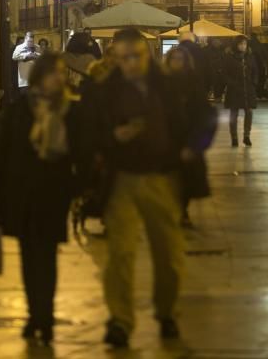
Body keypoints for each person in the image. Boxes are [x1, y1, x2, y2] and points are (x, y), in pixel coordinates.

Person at [82, 28, 205, 348]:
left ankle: (166, 312)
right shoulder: (105, 91)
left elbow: (204, 118)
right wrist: (113, 138)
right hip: (121, 177)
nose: (130, 64)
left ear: (146, 54)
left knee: (168, 253)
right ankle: (120, 320)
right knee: (120, 253)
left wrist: (192, 149)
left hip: (162, 177)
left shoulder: (169, 85)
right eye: (123, 58)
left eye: (135, 56)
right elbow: (89, 133)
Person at [0, 53, 81, 345]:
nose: (59, 78)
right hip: (22, 191)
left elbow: (80, 150)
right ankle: (32, 314)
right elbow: (2, 151)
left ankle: (46, 316)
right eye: (55, 73)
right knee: (29, 257)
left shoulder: (70, 109)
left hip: (53, 192)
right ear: (40, 75)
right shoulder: (19, 108)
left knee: (47, 256)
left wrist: (80, 187)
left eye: (62, 73)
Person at [165, 46, 217, 225]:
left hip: (187, 136)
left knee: (185, 177)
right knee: (169, 178)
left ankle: (182, 210)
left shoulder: (194, 82)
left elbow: (203, 113)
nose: (177, 62)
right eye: (174, 59)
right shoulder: (162, 83)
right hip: (167, 138)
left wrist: (196, 143)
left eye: (181, 59)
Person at [223, 35, 258, 147]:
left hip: (248, 89)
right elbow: (224, 73)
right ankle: (234, 137)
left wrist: (253, 82)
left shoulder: (250, 57)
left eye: (244, 44)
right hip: (234, 90)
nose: (243, 46)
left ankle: (246, 136)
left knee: (249, 112)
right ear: (236, 45)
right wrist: (231, 83)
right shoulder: (229, 57)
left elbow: (255, 71)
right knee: (234, 113)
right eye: (241, 44)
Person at [249, 33, 268, 99]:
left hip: (252, 66)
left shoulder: (249, 44)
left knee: (253, 80)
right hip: (261, 66)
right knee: (261, 80)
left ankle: (254, 94)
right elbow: (265, 56)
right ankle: (260, 94)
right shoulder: (260, 45)